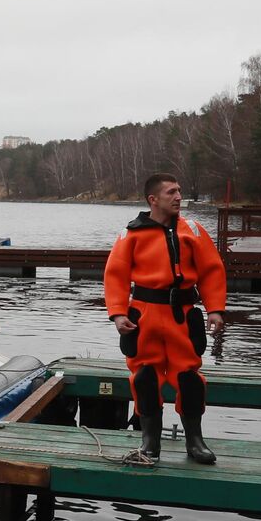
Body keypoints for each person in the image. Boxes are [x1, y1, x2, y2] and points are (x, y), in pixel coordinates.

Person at [105, 173, 227, 464]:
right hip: (144, 316)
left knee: (190, 379)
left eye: (179, 191)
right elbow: (115, 275)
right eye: (171, 192)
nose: (178, 197)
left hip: (182, 316)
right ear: (153, 199)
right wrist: (118, 313)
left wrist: (215, 309)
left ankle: (194, 441)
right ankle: (150, 441)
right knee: (145, 377)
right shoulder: (131, 234)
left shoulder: (193, 231)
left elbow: (212, 270)